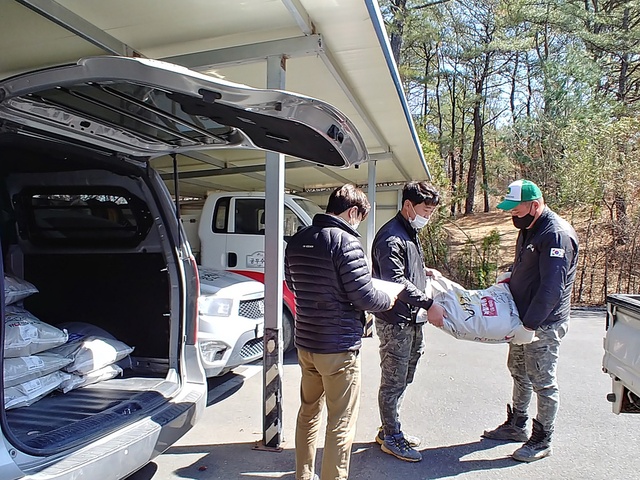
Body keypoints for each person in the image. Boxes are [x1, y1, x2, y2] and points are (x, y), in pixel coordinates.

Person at [284, 184, 395, 480]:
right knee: (340, 421)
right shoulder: (346, 242)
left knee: (308, 413)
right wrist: (390, 298)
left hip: (306, 345)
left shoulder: (296, 241)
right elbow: (365, 298)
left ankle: (303, 475)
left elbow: (294, 286)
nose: (359, 223)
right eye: (360, 217)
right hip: (338, 349)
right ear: (352, 211)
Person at [482, 179, 579, 463]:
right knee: (518, 370)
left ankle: (542, 437)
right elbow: (529, 267)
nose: (511, 214)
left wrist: (530, 326)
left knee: (542, 380)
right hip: (522, 318)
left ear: (534, 206)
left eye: (516, 209)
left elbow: (552, 288)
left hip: (542, 324)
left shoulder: (556, 235)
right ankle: (517, 424)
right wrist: (511, 277)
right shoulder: (529, 228)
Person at [371, 180, 446, 462]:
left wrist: (425, 272)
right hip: (395, 321)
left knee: (406, 375)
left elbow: (406, 268)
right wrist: (429, 303)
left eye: (431, 212)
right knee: (393, 380)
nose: (428, 217)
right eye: (425, 211)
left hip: (412, 318)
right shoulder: (391, 237)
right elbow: (395, 280)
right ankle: (391, 436)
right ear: (407, 206)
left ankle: (389, 428)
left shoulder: (409, 232)